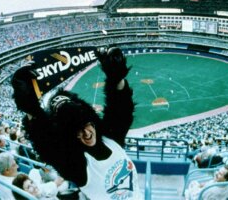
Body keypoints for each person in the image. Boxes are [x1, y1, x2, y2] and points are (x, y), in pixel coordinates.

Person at [11, 47, 140, 199]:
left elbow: (120, 110)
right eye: (76, 131)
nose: (86, 133)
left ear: (92, 120)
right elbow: (46, 144)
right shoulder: (80, 167)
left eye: (86, 124)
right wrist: (29, 106)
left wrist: (116, 78)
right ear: (69, 136)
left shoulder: (109, 138)